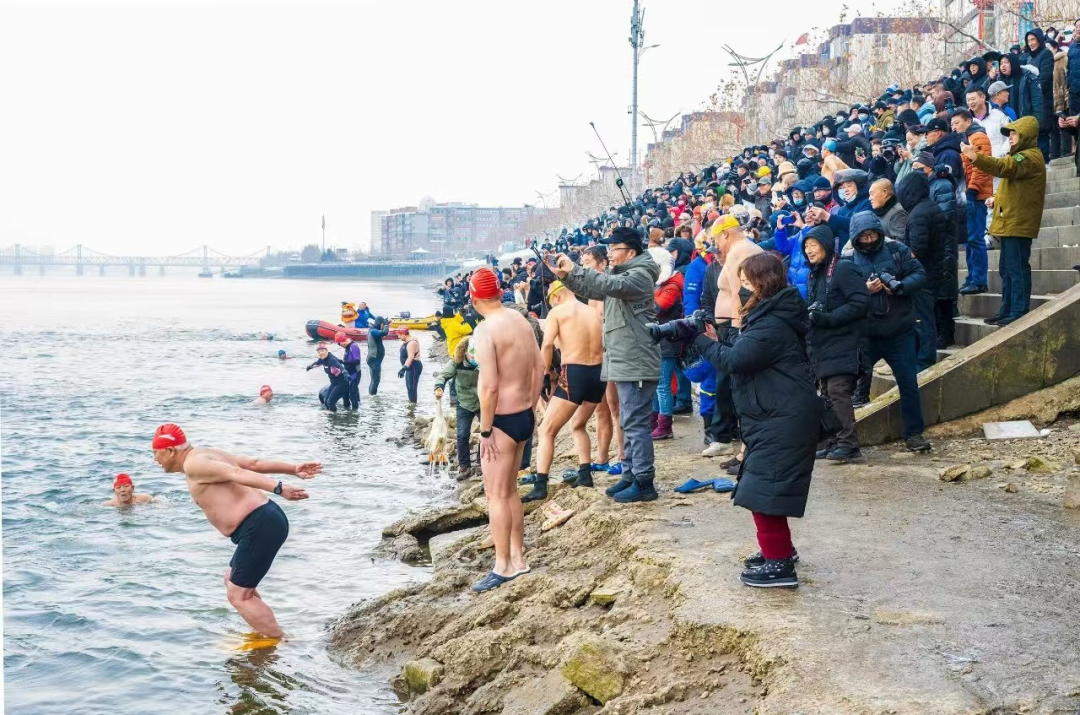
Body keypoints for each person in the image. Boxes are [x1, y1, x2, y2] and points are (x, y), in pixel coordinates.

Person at [692, 253, 820, 589]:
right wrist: (715, 340)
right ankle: (779, 551)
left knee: (763, 491)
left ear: (762, 284)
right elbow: (744, 352)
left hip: (783, 418)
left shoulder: (772, 323)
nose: (741, 291)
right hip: (776, 415)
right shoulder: (771, 315)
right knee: (764, 489)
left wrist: (701, 342)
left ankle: (779, 566)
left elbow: (736, 360)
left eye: (746, 284)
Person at [150, 423, 320, 638]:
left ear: (170, 450)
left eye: (155, 453)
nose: (155, 459)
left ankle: (282, 641)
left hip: (259, 525)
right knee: (232, 581)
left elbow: (237, 472)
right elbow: (253, 464)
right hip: (266, 519)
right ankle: (262, 630)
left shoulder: (195, 464)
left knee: (238, 595)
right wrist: (292, 468)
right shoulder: (204, 454)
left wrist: (279, 487)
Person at [552, 226, 662, 503]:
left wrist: (576, 268)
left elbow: (607, 285)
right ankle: (629, 474)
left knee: (635, 423)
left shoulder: (638, 275)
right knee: (628, 419)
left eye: (614, 250)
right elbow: (594, 287)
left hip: (635, 360)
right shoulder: (624, 273)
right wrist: (568, 277)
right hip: (625, 359)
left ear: (631, 252)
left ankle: (644, 481)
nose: (610, 255)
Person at [467, 269, 544, 593]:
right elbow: (539, 365)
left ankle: (503, 565)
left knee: (496, 496)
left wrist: (485, 432)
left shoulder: (487, 330)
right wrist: (532, 405)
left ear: (474, 298)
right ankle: (518, 558)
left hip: (500, 421)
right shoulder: (520, 320)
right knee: (510, 491)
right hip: (523, 415)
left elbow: (489, 387)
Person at [842, 212, 933, 452]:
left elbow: (920, 274)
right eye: (863, 236)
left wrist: (901, 286)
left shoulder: (897, 249)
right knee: (843, 385)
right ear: (855, 237)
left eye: (872, 234)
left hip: (899, 330)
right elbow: (840, 293)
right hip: (866, 334)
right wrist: (864, 291)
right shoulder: (848, 258)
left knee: (908, 383)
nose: (869, 240)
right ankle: (840, 436)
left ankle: (914, 433)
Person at [962, 115, 1047, 326]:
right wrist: (996, 199)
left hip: (1018, 223)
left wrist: (976, 157)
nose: (1010, 138)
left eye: (1014, 134)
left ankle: (1018, 310)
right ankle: (1007, 309)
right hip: (1010, 221)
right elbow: (1015, 188)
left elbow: (1004, 167)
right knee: (1006, 269)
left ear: (1025, 135)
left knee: (1016, 268)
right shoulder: (1022, 157)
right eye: (1009, 134)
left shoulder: (1029, 157)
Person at [526, 280, 604, 500]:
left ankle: (540, 484)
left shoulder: (558, 313)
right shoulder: (592, 312)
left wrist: (542, 376)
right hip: (598, 374)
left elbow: (548, 343)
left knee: (546, 430)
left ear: (556, 297)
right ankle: (585, 473)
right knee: (578, 425)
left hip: (574, 373)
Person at [803, 225, 869, 462]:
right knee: (827, 395)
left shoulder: (843, 268)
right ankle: (832, 441)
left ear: (826, 245)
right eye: (806, 246)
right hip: (822, 344)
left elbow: (861, 302)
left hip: (846, 342)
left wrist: (829, 318)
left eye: (813, 245)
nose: (809, 250)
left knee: (838, 391)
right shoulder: (815, 273)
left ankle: (850, 445)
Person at [897, 171, 952, 366]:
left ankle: (925, 361)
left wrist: (900, 255)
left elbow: (918, 249)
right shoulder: (928, 208)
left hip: (923, 275)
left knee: (923, 321)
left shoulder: (920, 213)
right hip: (932, 272)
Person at [580, 246, 625, 475]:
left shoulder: (610, 287)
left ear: (602, 263)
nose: (584, 265)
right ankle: (601, 456)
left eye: (588, 262)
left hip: (612, 353)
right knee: (601, 410)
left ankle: (622, 455)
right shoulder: (591, 292)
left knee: (616, 408)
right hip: (595, 355)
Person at [951, 108, 994, 296]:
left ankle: (979, 280)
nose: (954, 127)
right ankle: (972, 278)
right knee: (970, 240)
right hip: (971, 194)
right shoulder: (967, 138)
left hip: (977, 195)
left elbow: (982, 166)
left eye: (957, 123)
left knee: (976, 239)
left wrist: (972, 189)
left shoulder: (978, 137)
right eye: (952, 124)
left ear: (968, 121)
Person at [647, 246, 685, 440]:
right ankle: (654, 421)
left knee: (662, 385)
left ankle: (665, 424)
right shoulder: (665, 284)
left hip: (667, 341)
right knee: (656, 384)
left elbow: (656, 308)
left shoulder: (671, 286)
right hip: (658, 340)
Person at [435, 336, 480, 481]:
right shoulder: (456, 362)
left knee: (487, 434)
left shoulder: (486, 361)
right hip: (463, 403)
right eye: (471, 352)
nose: (474, 356)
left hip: (484, 403)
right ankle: (464, 467)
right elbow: (443, 376)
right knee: (462, 435)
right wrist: (439, 387)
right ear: (465, 351)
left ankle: (482, 464)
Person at [307, 343, 348, 412]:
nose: (321, 353)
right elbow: (317, 363)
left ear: (326, 351)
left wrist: (345, 372)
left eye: (322, 351)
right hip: (333, 383)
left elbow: (339, 366)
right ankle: (331, 417)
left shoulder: (331, 359)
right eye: (319, 352)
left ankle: (335, 417)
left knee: (330, 402)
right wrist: (310, 366)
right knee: (326, 401)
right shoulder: (322, 359)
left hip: (342, 383)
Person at [335, 331, 362, 410]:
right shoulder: (347, 347)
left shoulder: (353, 346)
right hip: (349, 374)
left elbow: (357, 361)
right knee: (348, 393)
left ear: (343, 342)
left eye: (339, 344)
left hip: (355, 374)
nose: (339, 345)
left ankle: (355, 414)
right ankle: (353, 409)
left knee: (352, 395)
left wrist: (343, 362)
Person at [397, 328, 422, 404]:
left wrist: (403, 368)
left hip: (414, 367)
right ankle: (411, 405)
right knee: (409, 387)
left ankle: (413, 406)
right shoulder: (406, 341)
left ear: (404, 334)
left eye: (399, 335)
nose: (398, 337)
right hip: (409, 367)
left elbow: (411, 357)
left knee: (412, 388)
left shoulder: (412, 343)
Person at [366, 317, 388, 396]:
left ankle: (371, 396)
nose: (383, 325)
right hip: (374, 359)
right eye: (382, 324)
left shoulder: (374, 330)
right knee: (375, 381)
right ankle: (373, 398)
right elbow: (385, 332)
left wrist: (386, 324)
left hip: (374, 359)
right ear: (380, 324)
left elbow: (383, 333)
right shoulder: (373, 331)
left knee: (374, 380)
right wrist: (386, 325)